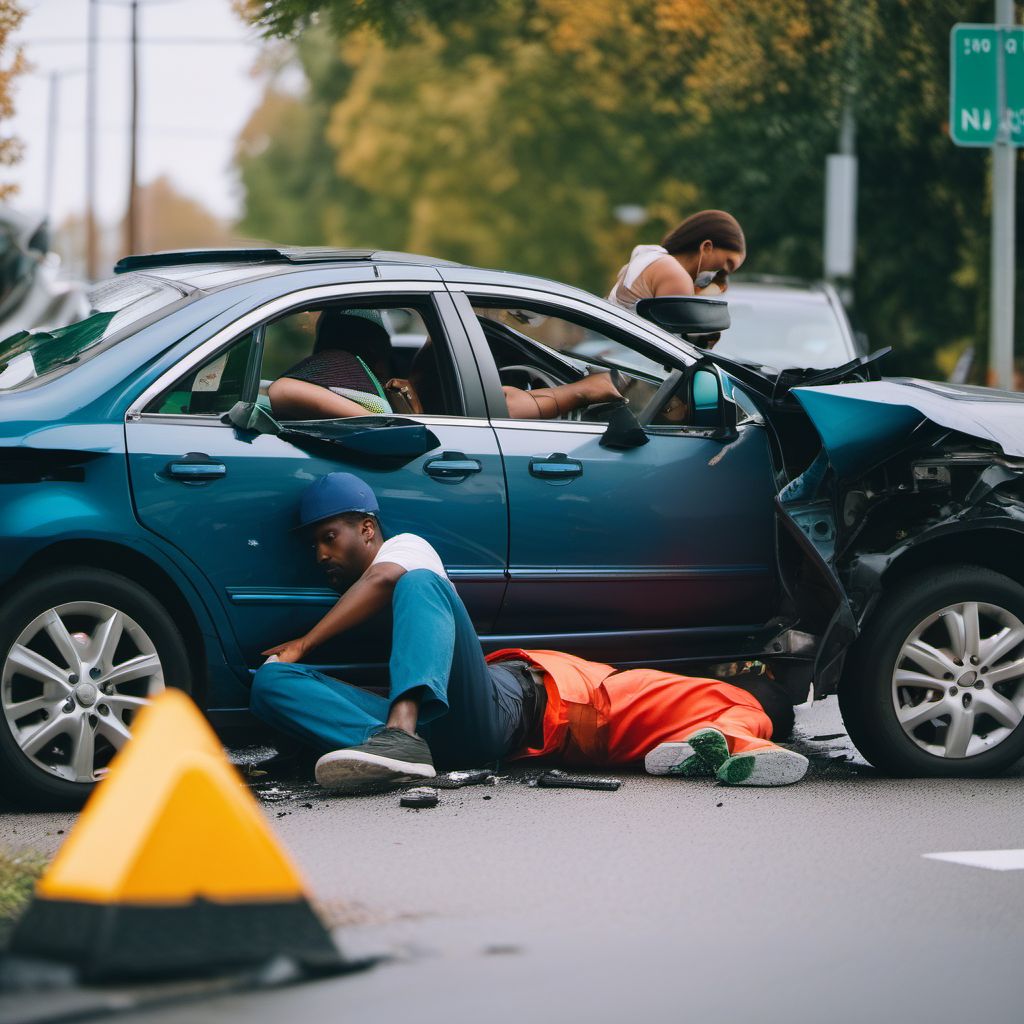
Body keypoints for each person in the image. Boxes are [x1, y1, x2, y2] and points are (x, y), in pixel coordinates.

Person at [250, 472, 808, 793]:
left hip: (503, 707)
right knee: (270, 684)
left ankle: (400, 734)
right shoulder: (662, 697)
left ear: (368, 529)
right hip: (455, 740)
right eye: (314, 546)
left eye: (329, 538)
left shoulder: (404, 548)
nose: (321, 555)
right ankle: (395, 750)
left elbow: (387, 579)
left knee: (421, 583)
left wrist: (304, 643)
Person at [608, 209, 747, 313]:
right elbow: (672, 346)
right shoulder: (675, 275)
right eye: (728, 263)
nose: (724, 274)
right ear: (706, 247)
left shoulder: (650, 257)